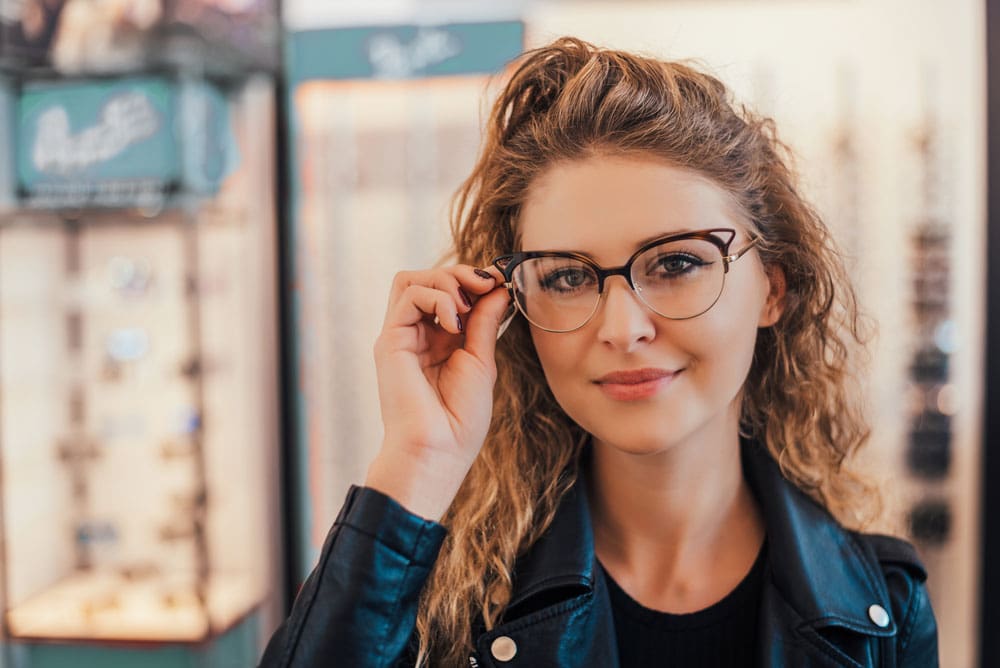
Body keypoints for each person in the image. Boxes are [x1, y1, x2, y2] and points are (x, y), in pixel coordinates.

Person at [259, 37, 938, 667]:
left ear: (772, 290)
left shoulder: (881, 613)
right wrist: (416, 463)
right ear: (514, 308)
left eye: (675, 264)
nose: (622, 327)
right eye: (567, 276)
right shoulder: (445, 606)